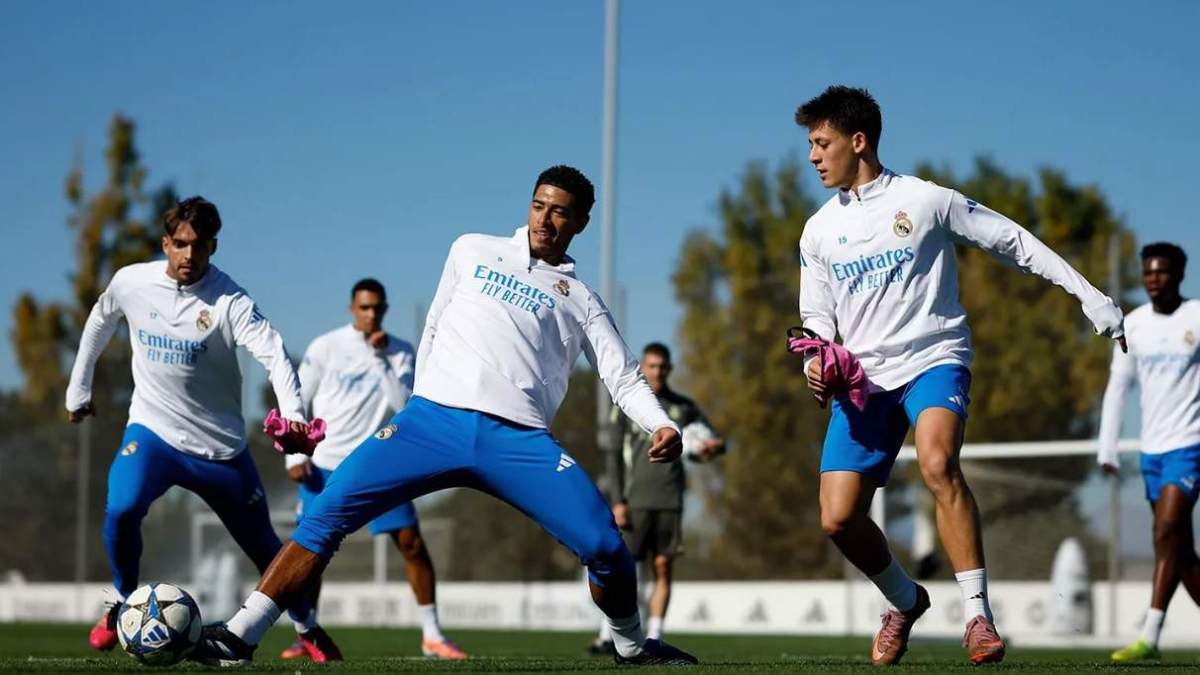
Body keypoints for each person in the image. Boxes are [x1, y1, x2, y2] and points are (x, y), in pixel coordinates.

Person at [192, 166, 698, 667]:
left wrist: (661, 423)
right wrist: (422, 402)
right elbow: (433, 325)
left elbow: (624, 377)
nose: (546, 219)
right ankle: (238, 637)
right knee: (326, 514)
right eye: (539, 205)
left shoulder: (583, 300)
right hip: (431, 424)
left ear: (581, 222)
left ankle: (631, 647)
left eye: (560, 212)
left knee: (606, 546)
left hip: (518, 440)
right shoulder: (471, 248)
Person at [794, 86, 1125, 665]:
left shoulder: (926, 201)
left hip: (933, 360)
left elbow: (1014, 241)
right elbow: (816, 317)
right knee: (838, 517)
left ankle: (977, 616)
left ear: (859, 140)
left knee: (937, 462)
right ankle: (903, 599)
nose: (813, 157)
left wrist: (1091, 298)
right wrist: (816, 358)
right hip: (864, 383)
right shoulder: (818, 230)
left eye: (821, 144)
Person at [64, 196, 334, 654]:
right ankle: (123, 604)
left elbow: (275, 354)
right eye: (181, 245)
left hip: (221, 450)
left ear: (214, 246)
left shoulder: (230, 300)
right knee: (121, 508)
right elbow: (100, 318)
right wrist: (79, 388)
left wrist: (295, 427)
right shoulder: (132, 282)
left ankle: (306, 627)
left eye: (201, 246)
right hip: (153, 433)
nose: (190, 256)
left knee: (268, 550)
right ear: (166, 243)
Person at [282, 278, 465, 661]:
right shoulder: (326, 347)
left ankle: (432, 634)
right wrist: (294, 455)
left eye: (378, 308)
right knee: (310, 554)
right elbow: (298, 399)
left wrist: (382, 360)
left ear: (385, 309)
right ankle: (307, 635)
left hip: (377, 465)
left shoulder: (401, 352)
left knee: (412, 544)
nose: (371, 314)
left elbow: (406, 406)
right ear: (352, 309)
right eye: (364, 308)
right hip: (325, 466)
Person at [1099, 243, 1200, 662]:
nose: (1153, 280)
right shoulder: (1133, 325)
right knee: (1180, 550)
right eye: (1148, 273)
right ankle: (1153, 633)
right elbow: (1118, 387)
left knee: (1164, 531)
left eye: (1162, 272)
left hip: (1190, 445)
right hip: (1151, 451)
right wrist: (1107, 446)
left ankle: (1150, 635)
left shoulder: (1197, 316)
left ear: (1179, 274)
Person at [591, 342, 723, 654]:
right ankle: (609, 634)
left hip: (670, 500)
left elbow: (710, 444)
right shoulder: (628, 406)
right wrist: (618, 500)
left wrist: (709, 448)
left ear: (669, 369)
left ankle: (654, 634)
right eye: (651, 366)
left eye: (662, 367)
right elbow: (612, 455)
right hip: (635, 500)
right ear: (644, 367)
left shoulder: (683, 407)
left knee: (663, 568)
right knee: (626, 569)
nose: (657, 372)